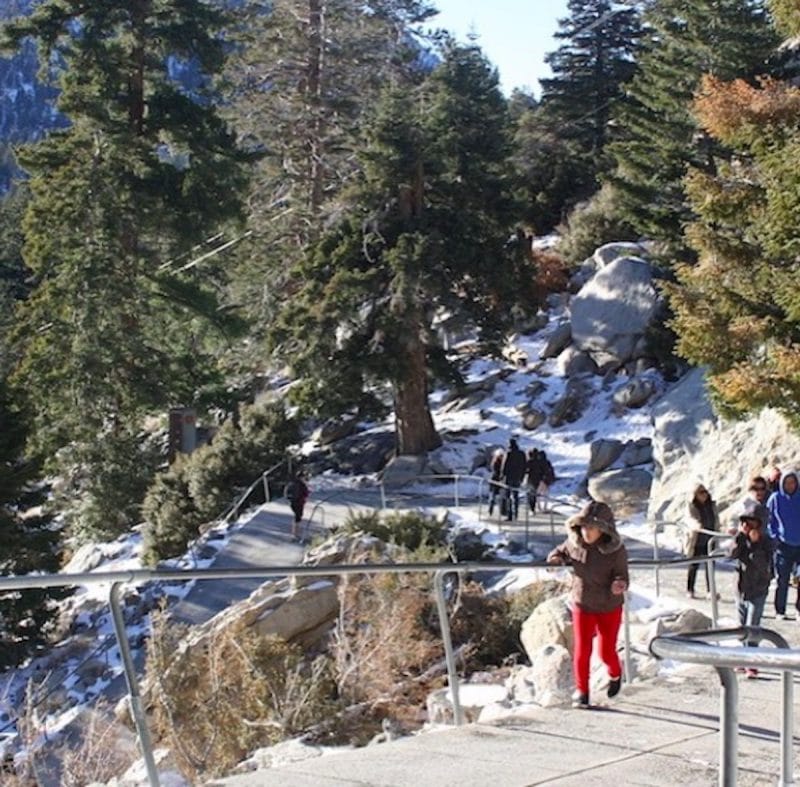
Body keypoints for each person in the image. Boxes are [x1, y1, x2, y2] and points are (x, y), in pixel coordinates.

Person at [547, 500, 629, 708]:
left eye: (591, 528)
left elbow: (622, 575)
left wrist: (619, 584)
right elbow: (558, 552)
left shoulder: (616, 550)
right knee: (582, 650)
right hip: (583, 603)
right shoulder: (574, 543)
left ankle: (615, 673)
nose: (586, 532)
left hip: (609, 606)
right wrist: (555, 560)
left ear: (603, 530)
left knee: (606, 651)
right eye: (583, 526)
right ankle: (582, 691)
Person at [729, 498, 773, 678]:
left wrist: (754, 544)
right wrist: (739, 537)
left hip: (758, 588)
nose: (749, 525)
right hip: (741, 588)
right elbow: (731, 555)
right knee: (741, 626)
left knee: (752, 625)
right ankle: (742, 657)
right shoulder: (741, 539)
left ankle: (752, 661)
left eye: (753, 522)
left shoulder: (766, 541)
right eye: (746, 521)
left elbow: (761, 564)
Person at [766, 469, 800, 619]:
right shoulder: (775, 498)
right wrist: (775, 537)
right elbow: (768, 519)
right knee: (783, 579)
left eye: (793, 482)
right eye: (787, 482)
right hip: (783, 545)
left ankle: (799, 609)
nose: (790, 485)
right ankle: (780, 610)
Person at [685, 483, 719, 599]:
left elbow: (715, 518)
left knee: (710, 564)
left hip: (710, 539)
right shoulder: (692, 506)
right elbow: (690, 519)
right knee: (693, 565)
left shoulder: (711, 505)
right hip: (697, 539)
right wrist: (697, 525)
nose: (704, 495)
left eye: (705, 492)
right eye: (701, 493)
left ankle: (710, 590)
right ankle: (690, 589)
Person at [501, 437, 526, 522]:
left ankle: (510, 515)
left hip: (509, 478)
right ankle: (516, 514)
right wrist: (522, 477)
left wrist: (502, 475)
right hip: (518, 477)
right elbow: (524, 466)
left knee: (508, 496)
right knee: (516, 496)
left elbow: (504, 466)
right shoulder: (522, 454)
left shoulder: (509, 453)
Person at [285, 470, 310, 542]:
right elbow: (306, 493)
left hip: (292, 502)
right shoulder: (301, 484)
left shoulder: (292, 483)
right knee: (298, 518)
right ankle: (295, 534)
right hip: (299, 503)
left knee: (297, 517)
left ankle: (296, 533)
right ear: (302, 477)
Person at [524, 448, 546, 513]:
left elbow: (526, 470)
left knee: (530, 494)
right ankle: (534, 507)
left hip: (531, 479)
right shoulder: (540, 462)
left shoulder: (530, 461)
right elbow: (543, 471)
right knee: (535, 494)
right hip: (538, 480)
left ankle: (532, 508)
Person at [487, 448, 506, 517]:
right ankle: (490, 510)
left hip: (499, 481)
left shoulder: (501, 463)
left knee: (499, 497)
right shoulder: (496, 463)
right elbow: (495, 472)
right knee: (492, 497)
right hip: (495, 481)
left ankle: (501, 511)